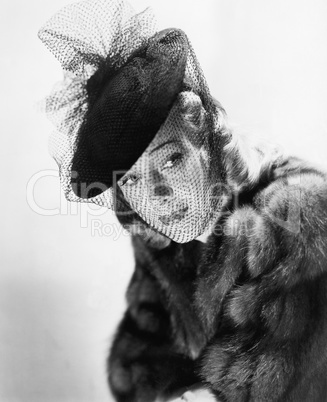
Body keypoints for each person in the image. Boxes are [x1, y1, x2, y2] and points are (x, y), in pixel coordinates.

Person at [39, 0, 327, 401]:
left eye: (171, 159)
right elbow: (142, 359)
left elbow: (273, 386)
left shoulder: (296, 215)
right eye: (133, 179)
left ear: (203, 133)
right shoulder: (161, 234)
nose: (158, 195)